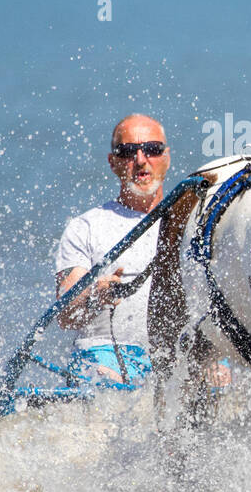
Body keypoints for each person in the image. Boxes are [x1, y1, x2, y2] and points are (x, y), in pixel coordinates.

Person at [52, 114, 174, 391]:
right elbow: (65, 316)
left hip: (174, 354)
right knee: (111, 383)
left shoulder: (192, 223)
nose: (141, 160)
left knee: (221, 374)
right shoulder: (85, 227)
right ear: (113, 163)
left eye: (152, 149)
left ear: (167, 157)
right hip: (102, 353)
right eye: (129, 152)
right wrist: (94, 294)